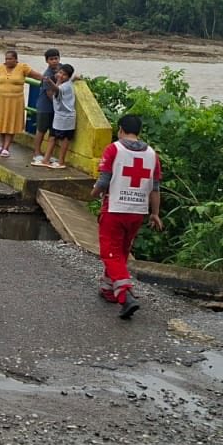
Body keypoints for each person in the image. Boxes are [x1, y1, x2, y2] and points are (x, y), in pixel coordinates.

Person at [93, 114, 164, 320]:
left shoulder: (114, 149)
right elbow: (155, 188)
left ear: (121, 129)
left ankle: (125, 294)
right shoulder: (152, 154)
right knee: (122, 250)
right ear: (138, 131)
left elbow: (104, 181)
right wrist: (155, 213)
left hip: (115, 208)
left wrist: (93, 194)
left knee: (109, 251)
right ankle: (108, 288)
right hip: (138, 211)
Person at [0, 49, 41, 158]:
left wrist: (50, 80)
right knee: (2, 122)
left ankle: (6, 147)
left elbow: (36, 76)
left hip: (15, 100)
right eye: (6, 59)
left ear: (16, 59)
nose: (8, 61)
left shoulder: (23, 67)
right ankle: (2, 145)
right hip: (1, 99)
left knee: (11, 122)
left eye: (10, 59)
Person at [35, 64, 77, 169]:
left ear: (68, 77)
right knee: (53, 137)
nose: (61, 76)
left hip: (66, 117)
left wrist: (50, 82)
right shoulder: (66, 83)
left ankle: (61, 161)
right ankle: (46, 159)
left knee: (64, 139)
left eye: (64, 75)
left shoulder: (65, 86)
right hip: (58, 116)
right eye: (60, 73)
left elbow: (56, 90)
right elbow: (57, 87)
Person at [31, 49, 63, 162]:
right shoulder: (47, 75)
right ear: (47, 61)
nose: (54, 61)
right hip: (45, 106)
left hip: (56, 108)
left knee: (53, 131)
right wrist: (60, 104)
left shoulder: (62, 69)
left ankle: (48, 154)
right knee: (41, 129)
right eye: (51, 59)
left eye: (56, 58)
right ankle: (36, 152)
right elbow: (50, 94)